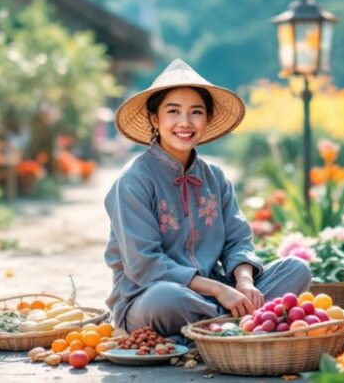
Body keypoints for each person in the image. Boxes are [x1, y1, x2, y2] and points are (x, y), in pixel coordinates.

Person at [104, 59, 312, 337]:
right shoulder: (134, 179)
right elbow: (145, 265)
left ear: (208, 118)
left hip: (220, 295)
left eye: (196, 112)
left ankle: (221, 325)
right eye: (173, 111)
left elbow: (238, 240)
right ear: (155, 118)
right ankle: (240, 323)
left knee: (296, 269)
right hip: (153, 298)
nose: (185, 122)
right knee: (165, 300)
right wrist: (218, 290)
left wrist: (244, 283)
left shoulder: (215, 176)